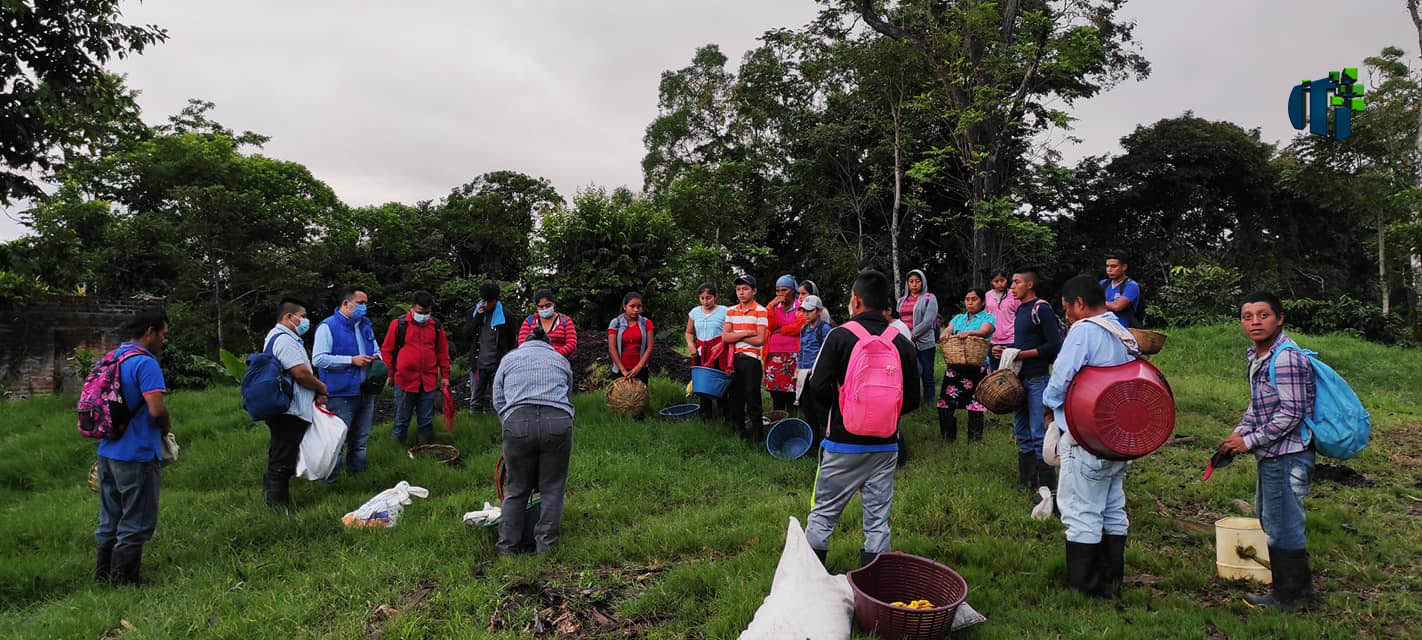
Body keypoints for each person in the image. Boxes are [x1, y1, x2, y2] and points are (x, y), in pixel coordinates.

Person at [803, 270, 921, 568]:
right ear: (886, 304)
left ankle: (809, 581)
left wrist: (837, 414)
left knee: (823, 514)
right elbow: (914, 399)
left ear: (856, 301)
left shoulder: (839, 336)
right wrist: (884, 417)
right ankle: (874, 586)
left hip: (842, 443)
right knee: (878, 521)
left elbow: (816, 387)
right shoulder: (903, 342)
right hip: (885, 446)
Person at [1217, 291, 1317, 611]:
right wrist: (1238, 433)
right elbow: (1259, 406)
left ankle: (1289, 597)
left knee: (1283, 522)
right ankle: (1298, 591)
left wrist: (1248, 442)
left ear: (1280, 318)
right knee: (1272, 516)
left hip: (1288, 454)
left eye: (1263, 315)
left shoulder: (1285, 357)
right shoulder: (1259, 355)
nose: (1255, 322)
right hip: (1273, 453)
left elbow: (1292, 412)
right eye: (1248, 316)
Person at [1043, 276, 1135, 598]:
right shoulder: (1122, 332)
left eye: (1067, 308)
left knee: (1080, 508)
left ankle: (1085, 587)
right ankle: (1111, 580)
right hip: (1119, 436)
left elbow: (1061, 380)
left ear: (1079, 304)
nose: (1067, 315)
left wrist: (1047, 405)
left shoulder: (1084, 330)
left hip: (1085, 435)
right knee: (1111, 507)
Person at [94, 308, 171, 585]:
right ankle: (124, 581)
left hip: (107, 450)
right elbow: (155, 409)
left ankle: (102, 575)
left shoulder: (111, 357)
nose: (163, 341)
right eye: (162, 334)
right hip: (136, 452)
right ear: (149, 332)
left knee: (110, 515)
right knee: (136, 518)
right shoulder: (145, 363)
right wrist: (166, 426)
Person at [493, 327, 576, 555]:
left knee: (517, 487)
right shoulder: (560, 360)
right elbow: (567, 396)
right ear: (548, 343)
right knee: (552, 488)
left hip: (517, 422)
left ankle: (507, 548)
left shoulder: (509, 359)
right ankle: (546, 549)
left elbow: (498, 399)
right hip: (557, 422)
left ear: (525, 343)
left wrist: (511, 424)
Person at [992, 269, 1062, 498]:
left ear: (1030, 285)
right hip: (1019, 378)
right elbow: (1023, 341)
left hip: (1037, 378)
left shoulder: (1040, 308)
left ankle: (1048, 487)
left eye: (1016, 282)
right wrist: (1006, 348)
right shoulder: (1021, 310)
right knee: (1021, 430)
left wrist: (1023, 354)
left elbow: (1053, 345)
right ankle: (1027, 480)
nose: (1012, 287)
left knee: (1038, 430)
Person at [262, 298, 329, 508]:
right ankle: (278, 506)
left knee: (283, 454)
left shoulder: (287, 338)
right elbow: (299, 373)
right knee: (282, 458)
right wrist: (320, 387)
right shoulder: (283, 339)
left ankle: (275, 500)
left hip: (291, 408)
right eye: (303, 316)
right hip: (288, 410)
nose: (305, 320)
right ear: (289, 317)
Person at [313, 286, 381, 482]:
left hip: (365, 390)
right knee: (337, 440)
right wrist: (351, 360)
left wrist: (376, 357)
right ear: (346, 303)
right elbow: (318, 359)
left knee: (361, 438)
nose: (364, 307)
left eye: (366, 303)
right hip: (341, 392)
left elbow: (376, 348)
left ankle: (357, 475)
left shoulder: (365, 324)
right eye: (360, 303)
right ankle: (331, 480)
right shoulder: (328, 326)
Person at [380, 290, 450, 446]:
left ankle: (425, 447)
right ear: (411, 308)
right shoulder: (399, 325)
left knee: (426, 419)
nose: (424, 316)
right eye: (420, 312)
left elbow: (442, 352)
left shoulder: (436, 326)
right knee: (402, 418)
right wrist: (390, 373)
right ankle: (397, 448)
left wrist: (445, 375)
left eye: (427, 312)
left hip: (428, 380)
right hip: (404, 380)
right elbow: (387, 350)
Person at [938, 288, 995, 442]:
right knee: (945, 402)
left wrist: (969, 333)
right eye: (967, 299)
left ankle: (974, 440)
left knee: (975, 405)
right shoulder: (958, 318)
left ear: (983, 302)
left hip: (977, 367)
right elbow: (948, 329)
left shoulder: (988, 318)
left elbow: (984, 331)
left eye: (974, 299)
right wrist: (946, 334)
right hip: (955, 367)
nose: (970, 302)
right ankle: (947, 439)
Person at [723, 275, 768, 442]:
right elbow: (725, 337)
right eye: (738, 289)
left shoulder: (761, 311)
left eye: (745, 288)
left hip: (751, 360)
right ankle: (740, 434)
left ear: (754, 291)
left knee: (752, 397)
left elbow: (760, 340)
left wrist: (736, 335)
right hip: (734, 360)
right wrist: (746, 333)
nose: (741, 292)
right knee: (735, 398)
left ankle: (757, 437)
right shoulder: (731, 310)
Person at [465, 282, 517, 413]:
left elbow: (511, 341)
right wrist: (477, 318)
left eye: (490, 301)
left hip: (498, 364)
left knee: (498, 401)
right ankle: (474, 428)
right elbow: (465, 335)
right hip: (478, 364)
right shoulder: (473, 312)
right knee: (475, 400)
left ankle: (497, 428)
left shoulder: (506, 316)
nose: (487, 304)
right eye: (484, 301)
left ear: (496, 299)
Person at [685, 283, 730, 418]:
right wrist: (690, 344)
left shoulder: (725, 311)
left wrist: (722, 343)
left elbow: (730, 331)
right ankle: (706, 413)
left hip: (719, 352)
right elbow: (688, 332)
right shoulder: (694, 313)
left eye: (709, 298)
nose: (706, 301)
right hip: (700, 352)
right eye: (702, 298)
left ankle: (725, 413)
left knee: (719, 381)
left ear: (715, 297)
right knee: (702, 382)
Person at [897, 269, 940, 408]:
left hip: (924, 342)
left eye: (917, 281)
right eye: (911, 282)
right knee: (910, 373)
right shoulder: (901, 300)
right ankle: (912, 401)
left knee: (927, 372)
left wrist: (913, 335)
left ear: (923, 282)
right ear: (907, 284)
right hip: (905, 342)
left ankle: (929, 401)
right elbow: (898, 319)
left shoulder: (929, 298)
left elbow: (928, 321)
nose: (914, 284)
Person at [764, 274, 802, 416]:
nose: (780, 294)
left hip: (793, 355)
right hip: (774, 355)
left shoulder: (800, 306)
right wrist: (771, 307)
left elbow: (799, 327)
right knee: (776, 392)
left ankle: (792, 419)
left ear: (792, 290)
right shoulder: (774, 307)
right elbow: (770, 326)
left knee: (792, 391)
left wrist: (781, 330)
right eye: (778, 291)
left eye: (784, 290)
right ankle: (778, 419)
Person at [607, 292, 654, 384]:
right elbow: (612, 348)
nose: (636, 310)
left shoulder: (646, 323)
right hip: (620, 371)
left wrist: (639, 367)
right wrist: (623, 370)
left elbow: (650, 347)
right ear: (625, 307)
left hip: (641, 371)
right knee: (620, 397)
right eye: (632, 306)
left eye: (639, 307)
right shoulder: (616, 323)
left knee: (640, 397)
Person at [517, 288, 577, 358]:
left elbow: (571, 343)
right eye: (541, 307)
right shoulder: (529, 321)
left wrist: (554, 355)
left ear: (553, 304)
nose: (544, 309)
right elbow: (522, 343)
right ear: (537, 307)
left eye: (548, 305)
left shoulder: (565, 321)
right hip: (533, 361)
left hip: (559, 361)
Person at [985, 270, 1019, 370]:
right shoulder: (987, 296)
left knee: (1010, 370)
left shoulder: (1014, 294)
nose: (1000, 283)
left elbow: (1019, 313)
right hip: (993, 339)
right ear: (992, 282)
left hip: (1011, 338)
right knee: (994, 371)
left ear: (1006, 280)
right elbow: (985, 316)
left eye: (1002, 280)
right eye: (996, 281)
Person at [1101, 254, 1143, 329]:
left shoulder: (1131, 285)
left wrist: (1096, 302)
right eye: (1107, 266)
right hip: (1104, 328)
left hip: (1123, 331)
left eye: (1113, 266)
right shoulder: (1103, 284)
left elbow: (1117, 306)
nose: (1109, 270)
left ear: (1124, 267)